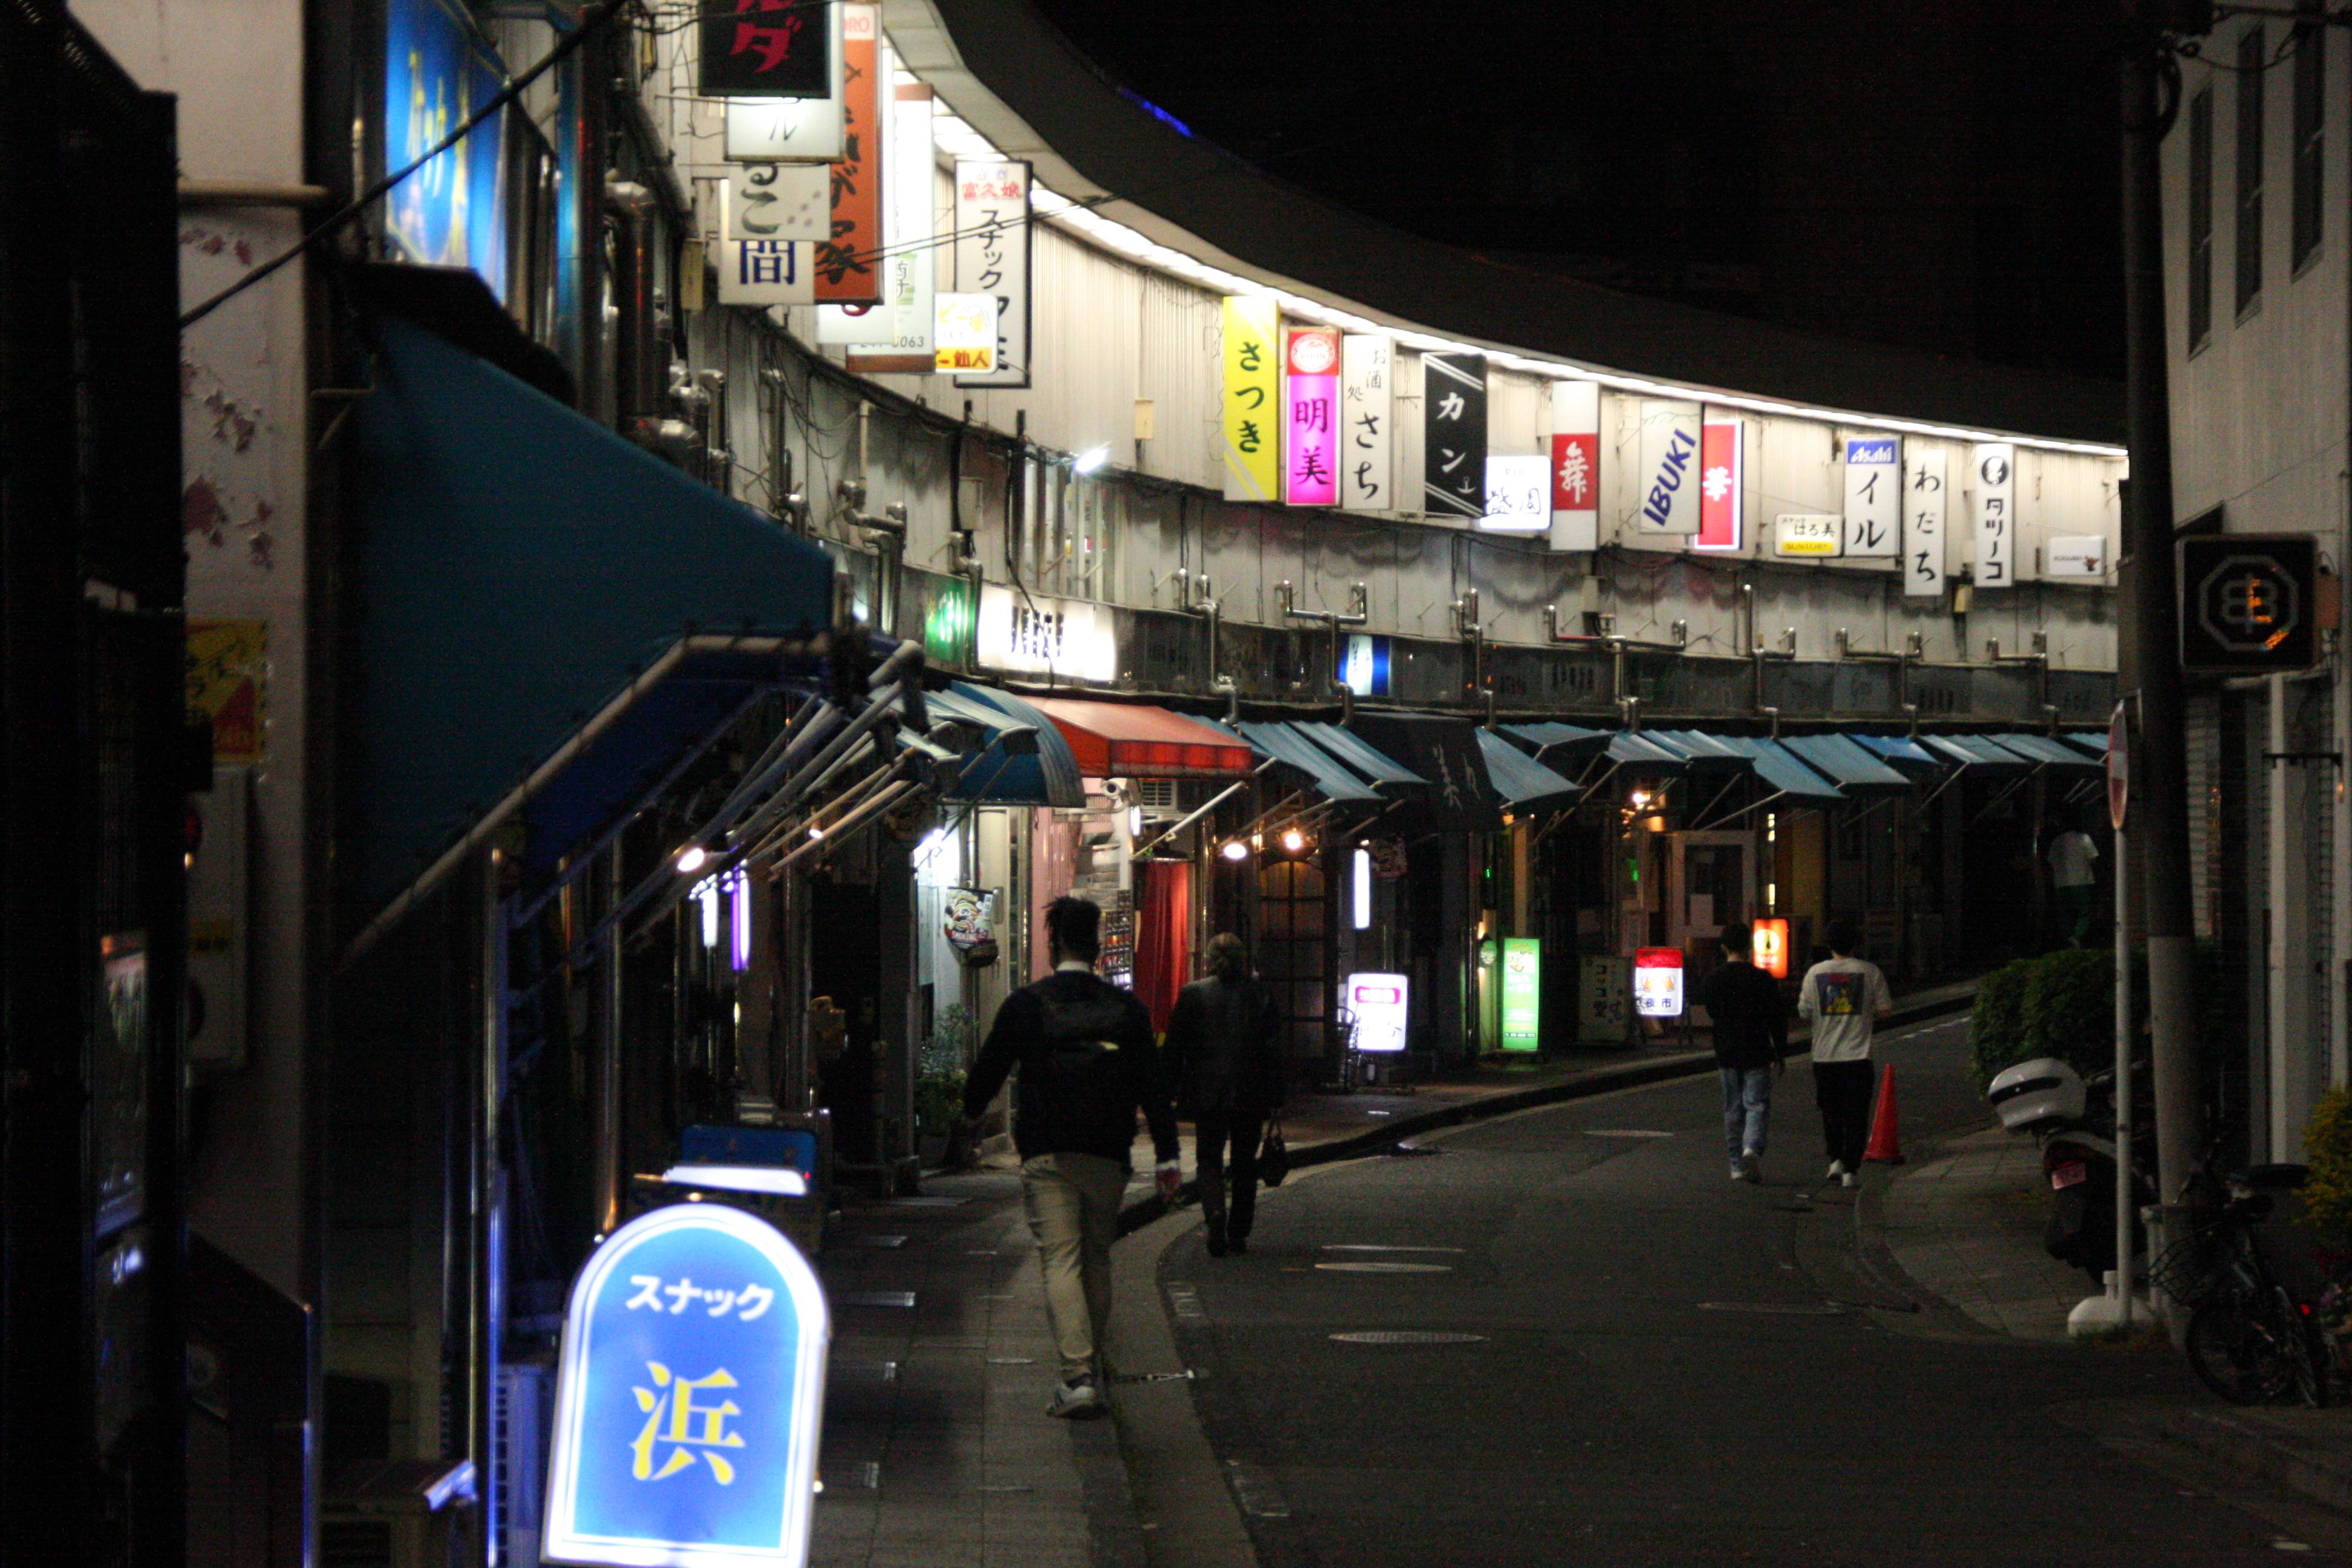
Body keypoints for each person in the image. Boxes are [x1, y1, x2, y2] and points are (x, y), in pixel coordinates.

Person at [964, 896, 1181, 1419]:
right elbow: (1154, 1086)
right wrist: (1169, 1156)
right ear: (1099, 944)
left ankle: (1078, 1375)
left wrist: (969, 1115)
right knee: (1097, 1257)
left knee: (1060, 1259)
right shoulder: (1127, 1010)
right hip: (1109, 1151)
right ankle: (1091, 1366)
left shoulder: (1027, 1004)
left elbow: (988, 1073)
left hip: (1048, 1150)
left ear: (1054, 942)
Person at [1162, 932, 1285, 1257]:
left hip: (1207, 1091)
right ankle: (1239, 1232)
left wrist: (1167, 1092)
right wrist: (1276, 1096)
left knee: (1209, 1159)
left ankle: (1215, 1213)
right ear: (1243, 959)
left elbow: (1175, 1049)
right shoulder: (1261, 995)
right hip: (1251, 1091)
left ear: (1209, 958)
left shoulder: (1192, 995)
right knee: (1245, 1163)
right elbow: (1273, 1051)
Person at [1797, 917, 1894, 1186]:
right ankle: (1851, 1169)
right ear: (1856, 943)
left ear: (1828, 943)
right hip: (1858, 1056)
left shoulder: (1815, 973)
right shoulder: (1870, 972)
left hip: (1824, 1056)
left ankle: (1835, 1161)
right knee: (1856, 1114)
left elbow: (1804, 1012)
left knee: (1830, 1111)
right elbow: (1886, 1011)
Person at [1694, 921, 1786, 1182]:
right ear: (1749, 946)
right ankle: (1752, 1149)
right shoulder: (1762, 979)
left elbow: (1700, 998)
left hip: (1727, 1050)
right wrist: (1781, 1052)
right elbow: (1777, 1018)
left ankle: (1736, 1165)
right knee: (1756, 1104)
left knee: (1733, 1107)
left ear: (1724, 948)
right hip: (1758, 1049)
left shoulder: (1716, 977)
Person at [2048, 820, 2100, 947]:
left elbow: (2051, 862)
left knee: (2066, 914)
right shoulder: (2084, 838)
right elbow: (2094, 859)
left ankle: (2068, 938)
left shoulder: (2057, 841)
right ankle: (2077, 936)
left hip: (2062, 883)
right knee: (2085, 912)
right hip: (2083, 881)